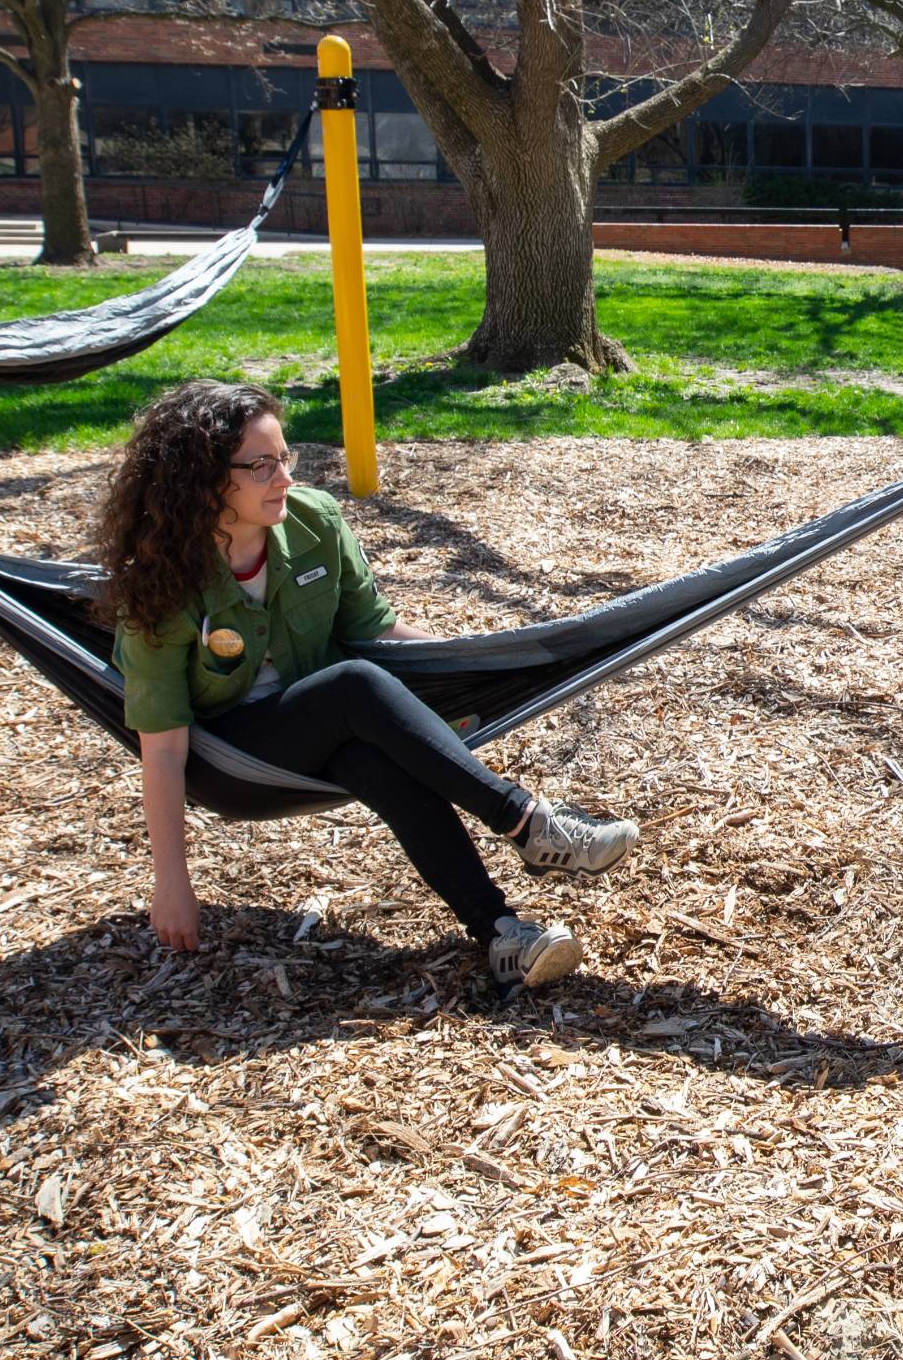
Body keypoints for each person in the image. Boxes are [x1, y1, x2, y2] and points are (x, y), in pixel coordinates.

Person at [98, 379, 639, 989]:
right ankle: (527, 823)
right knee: (354, 683)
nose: (284, 478)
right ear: (202, 480)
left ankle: (502, 935)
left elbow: (375, 628)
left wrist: (477, 670)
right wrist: (171, 880)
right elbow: (164, 746)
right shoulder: (160, 586)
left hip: (326, 730)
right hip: (229, 761)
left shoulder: (315, 523)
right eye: (260, 466)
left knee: (372, 759)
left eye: (285, 458)